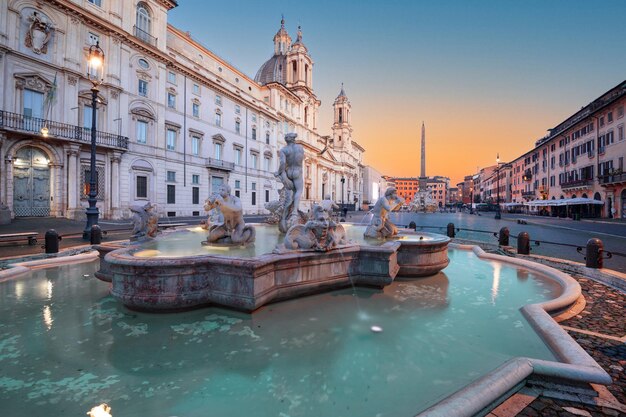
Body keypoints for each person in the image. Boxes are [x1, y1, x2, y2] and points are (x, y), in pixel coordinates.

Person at [275, 132, 305, 232]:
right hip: (297, 171)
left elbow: (283, 163)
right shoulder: (300, 148)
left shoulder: (283, 150)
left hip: (288, 172)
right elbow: (300, 159)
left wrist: (279, 172)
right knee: (298, 191)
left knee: (289, 196)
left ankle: (284, 216)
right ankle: (295, 212)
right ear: (294, 139)